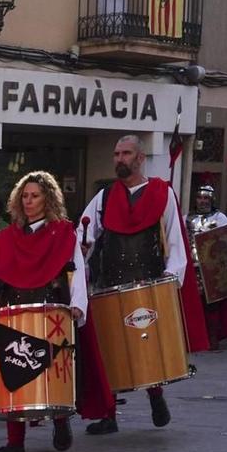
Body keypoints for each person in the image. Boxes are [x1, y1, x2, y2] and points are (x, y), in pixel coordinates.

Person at [0, 170, 111, 452]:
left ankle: (60, 422)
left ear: (48, 199)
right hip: (13, 308)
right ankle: (15, 440)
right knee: (14, 370)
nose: (29, 201)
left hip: (51, 308)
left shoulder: (63, 234)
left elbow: (76, 274)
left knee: (51, 371)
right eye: (25, 196)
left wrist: (78, 306)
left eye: (35, 196)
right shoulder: (5, 238)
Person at [78, 134, 191, 433]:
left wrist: (171, 280)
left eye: (126, 153)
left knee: (147, 346)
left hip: (148, 282)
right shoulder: (103, 197)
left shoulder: (162, 193)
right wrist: (79, 263)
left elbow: (175, 239)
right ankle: (108, 414)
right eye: (116, 154)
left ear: (141, 158)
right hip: (109, 283)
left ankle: (156, 397)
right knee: (109, 349)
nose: (119, 159)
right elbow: (84, 236)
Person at [187, 183, 227, 346]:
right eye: (200, 198)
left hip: (213, 269)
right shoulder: (187, 218)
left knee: (213, 306)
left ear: (212, 200)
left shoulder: (220, 218)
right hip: (193, 267)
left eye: (206, 198)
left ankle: (213, 338)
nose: (202, 201)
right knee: (195, 305)